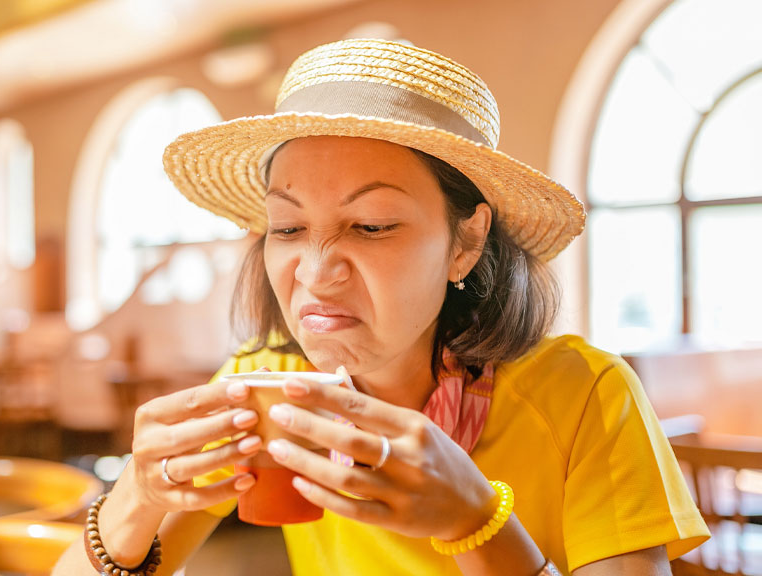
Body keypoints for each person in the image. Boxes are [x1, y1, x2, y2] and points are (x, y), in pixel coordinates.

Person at [55, 38, 709, 576]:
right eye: (287, 229)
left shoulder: (584, 394)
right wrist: (137, 499)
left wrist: (477, 523)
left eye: (370, 226)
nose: (314, 271)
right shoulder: (264, 385)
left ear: (467, 242)